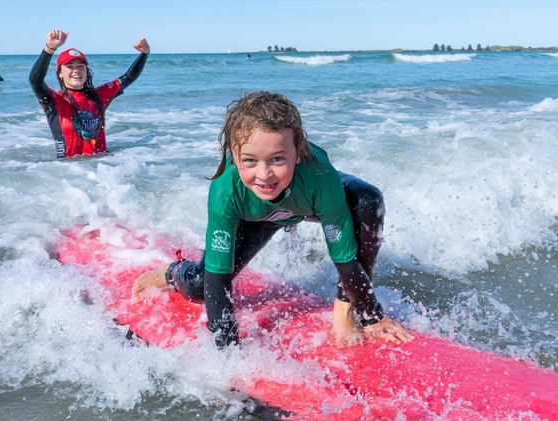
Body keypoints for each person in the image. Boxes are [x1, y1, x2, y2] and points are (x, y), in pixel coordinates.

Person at [132, 91, 415, 350]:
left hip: (302, 199)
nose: (264, 174)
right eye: (250, 161)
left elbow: (345, 257)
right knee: (200, 287)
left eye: (277, 159)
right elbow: (218, 279)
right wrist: (229, 354)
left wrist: (372, 315)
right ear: (233, 156)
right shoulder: (226, 191)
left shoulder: (319, 175)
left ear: (299, 152)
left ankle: (346, 306)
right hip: (254, 217)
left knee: (367, 201)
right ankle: (173, 272)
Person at [29, 30, 150, 158]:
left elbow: (128, 77)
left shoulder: (98, 96)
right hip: (69, 167)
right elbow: (35, 81)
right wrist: (49, 49)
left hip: (104, 165)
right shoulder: (54, 101)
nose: (76, 70)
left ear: (86, 72)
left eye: (81, 66)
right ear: (60, 74)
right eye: (70, 66)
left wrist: (145, 53)